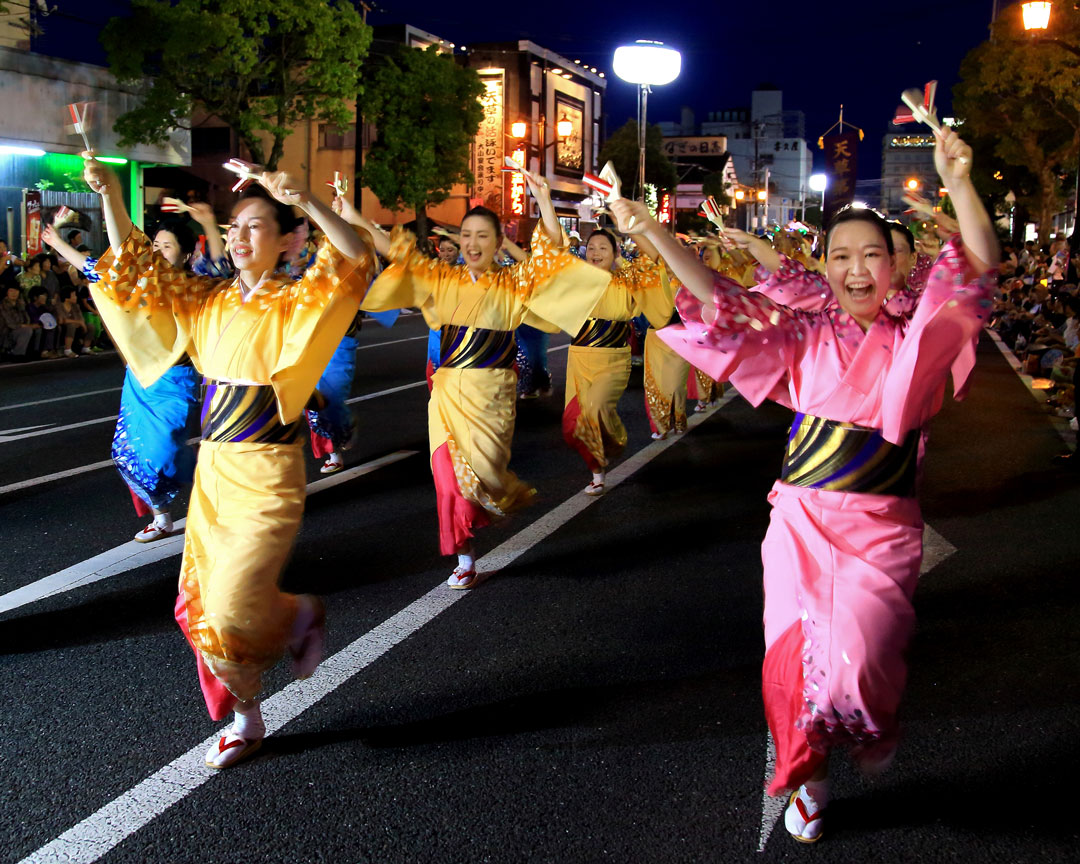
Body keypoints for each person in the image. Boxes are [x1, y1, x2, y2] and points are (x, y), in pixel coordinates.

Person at [610, 127, 998, 844]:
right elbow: (721, 298)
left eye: (872, 255)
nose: (857, 270)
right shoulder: (803, 332)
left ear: (893, 267)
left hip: (883, 525)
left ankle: (835, 751)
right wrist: (655, 231)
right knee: (791, 666)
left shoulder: (915, 332)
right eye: (841, 256)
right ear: (822, 265)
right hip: (799, 523)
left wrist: (963, 181)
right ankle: (812, 784)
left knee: (863, 662)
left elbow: (975, 266)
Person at [83, 153, 376, 769]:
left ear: (285, 238)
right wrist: (110, 194)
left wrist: (305, 200)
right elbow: (134, 275)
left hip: (269, 472)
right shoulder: (205, 299)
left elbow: (353, 258)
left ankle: (298, 612)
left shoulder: (296, 299)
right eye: (234, 226)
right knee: (200, 609)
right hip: (216, 472)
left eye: (256, 225)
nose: (241, 236)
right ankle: (248, 717)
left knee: (235, 604)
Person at [354, 172, 609, 588]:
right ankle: (465, 557)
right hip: (447, 394)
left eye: (482, 236)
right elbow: (400, 253)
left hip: (492, 395)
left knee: (485, 477)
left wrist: (543, 199)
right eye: (466, 235)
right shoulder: (444, 277)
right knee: (447, 478)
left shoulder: (513, 282)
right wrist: (352, 216)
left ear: (497, 242)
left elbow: (549, 256)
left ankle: (484, 516)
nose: (472, 244)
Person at [565, 227, 670, 494]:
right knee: (572, 424)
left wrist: (633, 230)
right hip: (578, 359)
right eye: (591, 247)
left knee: (596, 409)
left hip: (612, 359)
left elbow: (653, 260)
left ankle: (613, 443)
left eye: (603, 247)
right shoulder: (576, 279)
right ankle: (597, 471)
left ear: (615, 253)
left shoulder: (627, 279)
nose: (595, 252)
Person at [1, 284, 42, 359]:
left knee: (38, 329)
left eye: (16, 291)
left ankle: (35, 352)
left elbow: (26, 319)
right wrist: (28, 326)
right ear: (6, 292)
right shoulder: (2, 305)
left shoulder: (20, 303)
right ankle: (18, 354)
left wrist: (31, 325)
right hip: (6, 332)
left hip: (19, 329)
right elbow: (11, 324)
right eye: (11, 291)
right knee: (27, 330)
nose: (14, 293)